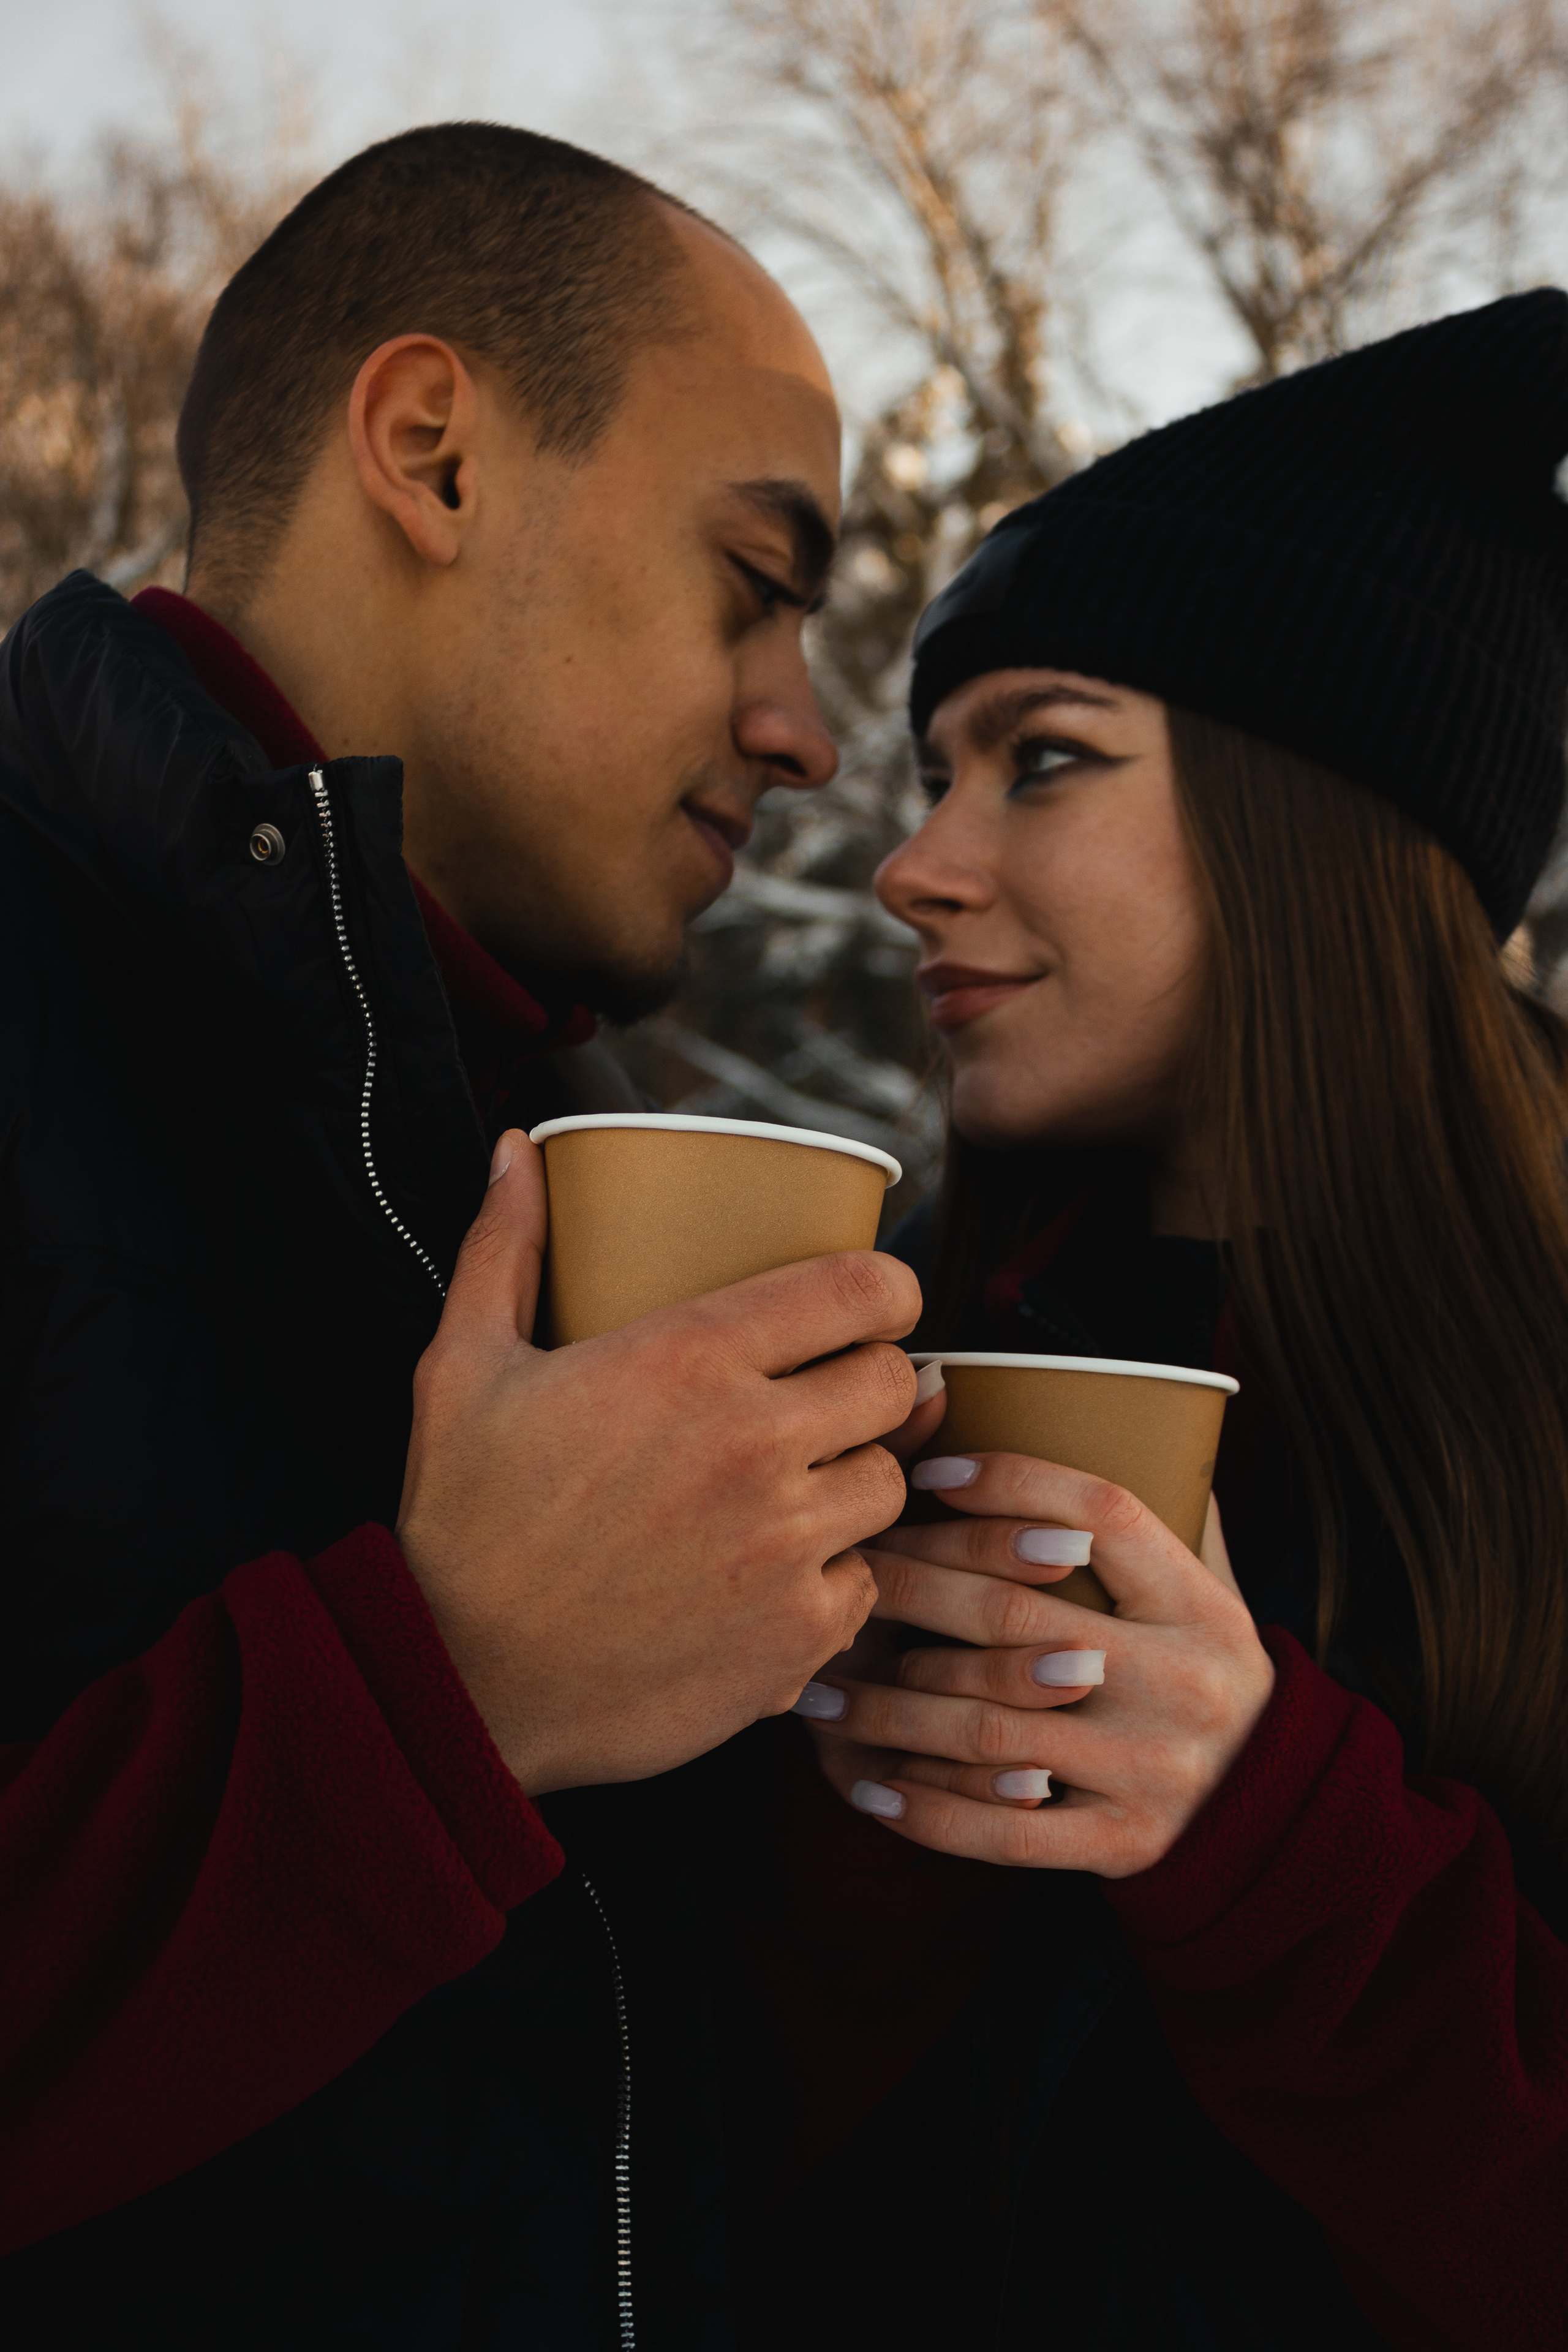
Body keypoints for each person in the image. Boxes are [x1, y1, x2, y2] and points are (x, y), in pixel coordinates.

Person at [0, 123, 924, 2345]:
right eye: (751, 581)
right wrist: (445, 1693)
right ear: (432, 453)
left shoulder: (548, 1133)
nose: (808, 732)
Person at [786, 290, 1568, 2348]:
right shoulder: (894, 1362)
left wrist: (1269, 1838)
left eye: (1040, 760)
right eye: (935, 772)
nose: (913, 868)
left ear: (1319, 812)